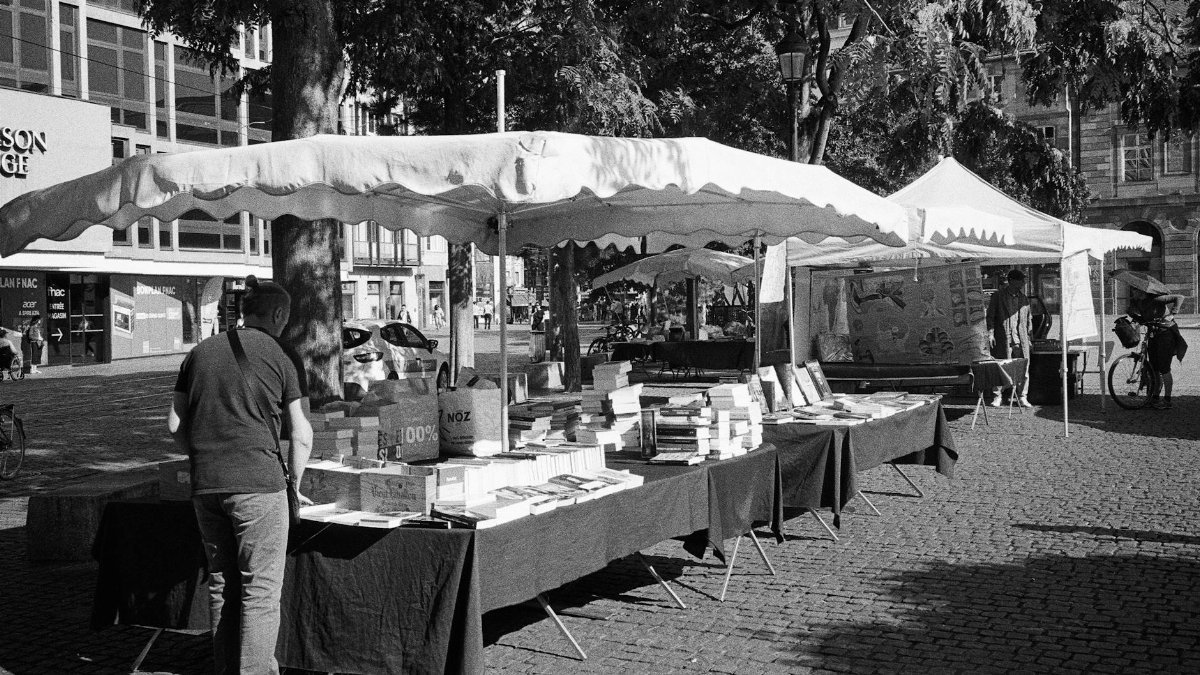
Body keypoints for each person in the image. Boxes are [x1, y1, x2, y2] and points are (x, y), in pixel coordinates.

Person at [168, 276, 314, 675]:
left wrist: (205, 455)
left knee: (221, 584)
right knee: (261, 591)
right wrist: (294, 487)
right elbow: (300, 434)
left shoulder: (198, 352)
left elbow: (174, 425)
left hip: (206, 484)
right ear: (280, 314)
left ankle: (226, 668)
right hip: (258, 484)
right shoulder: (282, 353)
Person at [1128, 287, 1187, 409]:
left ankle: (1167, 400)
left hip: (1166, 334)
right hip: (1153, 335)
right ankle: (1155, 397)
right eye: (1132, 291)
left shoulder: (1156, 298)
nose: (1133, 293)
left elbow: (1180, 297)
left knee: (1164, 368)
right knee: (1153, 368)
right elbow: (1143, 318)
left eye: (1135, 291)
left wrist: (1172, 314)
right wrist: (1132, 315)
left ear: (1142, 291)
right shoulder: (1138, 302)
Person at [986, 269, 1032, 408]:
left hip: (1020, 339)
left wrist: (1029, 337)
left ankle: (1022, 396)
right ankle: (997, 396)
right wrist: (991, 333)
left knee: (1023, 369)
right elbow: (990, 316)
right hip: (1003, 337)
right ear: (1012, 280)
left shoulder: (1024, 298)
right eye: (1021, 280)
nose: (1023, 283)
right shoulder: (998, 296)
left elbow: (1028, 319)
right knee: (1001, 366)